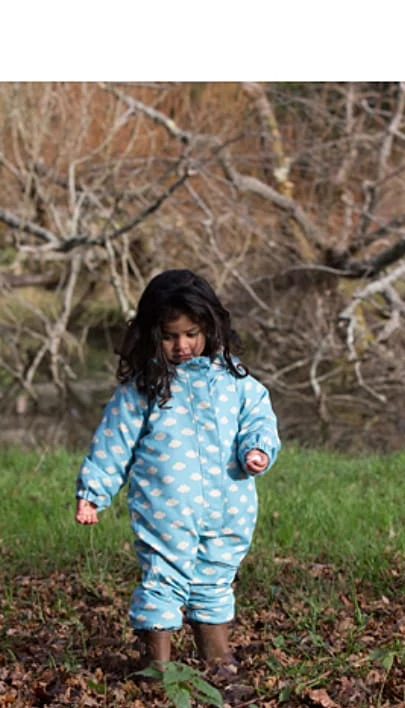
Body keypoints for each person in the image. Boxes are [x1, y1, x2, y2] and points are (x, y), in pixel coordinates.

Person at [75, 269, 280, 672]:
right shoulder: (144, 388)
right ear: (152, 335)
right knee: (163, 576)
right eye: (170, 336)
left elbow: (258, 418)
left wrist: (256, 448)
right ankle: (158, 666)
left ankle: (217, 658)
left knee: (216, 574)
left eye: (191, 334)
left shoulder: (234, 380)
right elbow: (113, 443)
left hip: (230, 502)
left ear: (210, 327)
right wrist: (93, 493)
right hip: (166, 506)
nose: (182, 345)